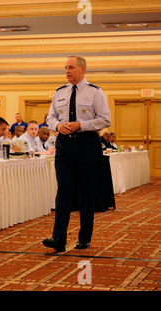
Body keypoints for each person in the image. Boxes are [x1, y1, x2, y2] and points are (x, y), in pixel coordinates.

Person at [43, 55, 111, 252]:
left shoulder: (95, 92)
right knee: (63, 191)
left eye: (71, 67)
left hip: (87, 144)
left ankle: (84, 237)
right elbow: (50, 117)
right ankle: (58, 238)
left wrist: (81, 125)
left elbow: (105, 120)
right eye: (65, 67)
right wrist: (58, 125)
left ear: (82, 69)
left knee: (86, 192)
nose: (67, 71)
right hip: (65, 146)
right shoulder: (60, 92)